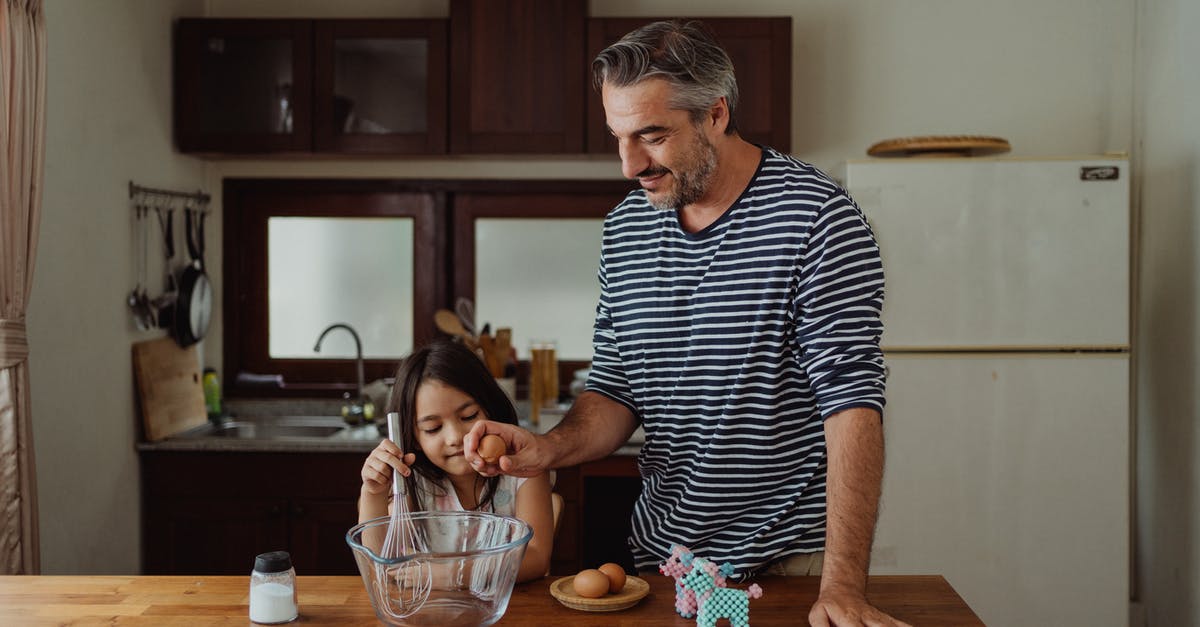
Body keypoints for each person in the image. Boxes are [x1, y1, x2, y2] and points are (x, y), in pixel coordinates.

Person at [466, 20, 910, 626]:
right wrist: (548, 448)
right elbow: (616, 388)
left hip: (790, 570)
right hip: (665, 566)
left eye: (652, 136)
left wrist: (843, 586)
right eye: (618, 137)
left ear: (716, 114)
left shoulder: (818, 219)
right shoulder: (626, 229)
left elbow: (853, 404)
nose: (629, 164)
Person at [359, 339, 554, 583]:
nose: (455, 437)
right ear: (415, 437)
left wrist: (456, 574)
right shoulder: (412, 481)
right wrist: (373, 493)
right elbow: (384, 563)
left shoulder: (523, 468)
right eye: (433, 428)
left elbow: (536, 558)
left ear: (490, 407)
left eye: (468, 416)